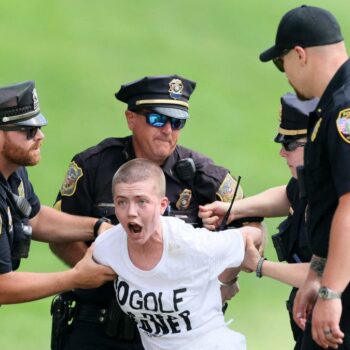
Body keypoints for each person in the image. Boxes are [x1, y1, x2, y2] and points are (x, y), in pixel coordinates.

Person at [49, 74, 256, 350]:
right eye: (158, 119)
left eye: (177, 121)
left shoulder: (203, 175)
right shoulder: (94, 166)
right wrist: (118, 274)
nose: (168, 129)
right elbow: (58, 233)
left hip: (175, 332)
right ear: (131, 118)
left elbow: (253, 231)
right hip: (99, 325)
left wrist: (226, 278)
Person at [93, 158, 263, 350]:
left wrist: (225, 281)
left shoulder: (190, 243)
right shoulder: (107, 247)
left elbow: (254, 234)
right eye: (122, 202)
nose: (131, 212)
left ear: (162, 205)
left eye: (142, 201)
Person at [259, 5, 350, 349]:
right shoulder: (332, 105)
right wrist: (316, 272)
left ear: (300, 54)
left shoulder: (344, 110)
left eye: (282, 64)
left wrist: (330, 291)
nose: (285, 75)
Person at [199, 92, 318, 349]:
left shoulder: (337, 198)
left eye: (289, 144)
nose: (281, 153)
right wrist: (235, 210)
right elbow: (289, 194)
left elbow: (324, 273)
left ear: (316, 143)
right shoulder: (312, 178)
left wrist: (259, 264)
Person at [0, 80, 116, 305]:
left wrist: (97, 226)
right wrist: (76, 278)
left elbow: (36, 217)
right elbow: (2, 287)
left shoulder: (13, 172)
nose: (40, 136)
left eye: (39, 127)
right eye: (28, 130)